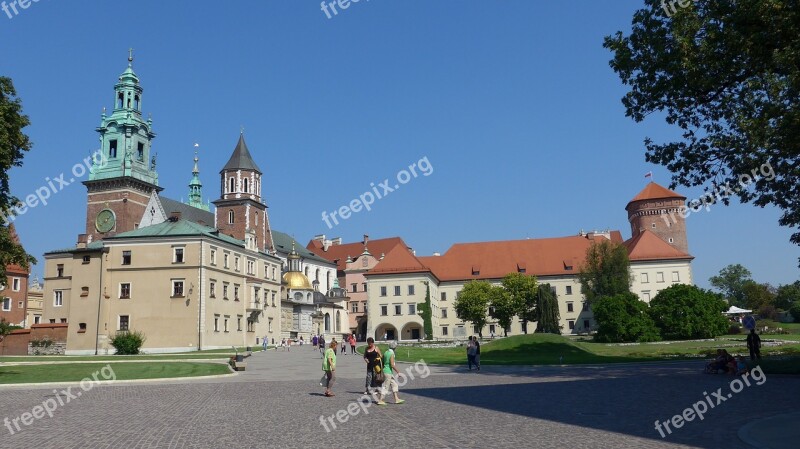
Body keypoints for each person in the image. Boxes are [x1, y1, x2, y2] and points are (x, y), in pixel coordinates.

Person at [377, 341, 405, 405]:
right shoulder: (391, 354)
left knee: (394, 384)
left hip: (386, 371)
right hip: (388, 372)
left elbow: (382, 360)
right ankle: (380, 400)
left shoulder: (386, 352)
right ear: (394, 347)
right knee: (386, 386)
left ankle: (396, 399)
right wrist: (398, 372)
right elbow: (392, 365)